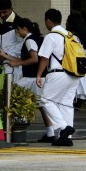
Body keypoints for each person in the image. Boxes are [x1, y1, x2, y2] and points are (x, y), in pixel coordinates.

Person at [35, 9, 80, 147]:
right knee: (66, 104)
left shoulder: (51, 36)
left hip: (58, 73)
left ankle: (64, 127)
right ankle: (66, 138)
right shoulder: (71, 36)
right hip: (74, 75)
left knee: (46, 100)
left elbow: (44, 57)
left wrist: (38, 75)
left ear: (48, 21)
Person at [7, 18, 52, 140]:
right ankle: (50, 133)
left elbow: (34, 59)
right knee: (42, 106)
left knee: (15, 96)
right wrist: (5, 56)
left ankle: (18, 126)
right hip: (39, 77)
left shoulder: (29, 41)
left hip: (32, 78)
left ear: (23, 29)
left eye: (18, 29)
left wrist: (17, 64)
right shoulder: (36, 38)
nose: (17, 32)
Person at [0, 0, 22, 83]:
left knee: (11, 91)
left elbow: (21, 45)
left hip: (13, 65)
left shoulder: (19, 22)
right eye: (0, 12)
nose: (2, 15)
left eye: (5, 12)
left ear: (11, 9)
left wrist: (5, 55)